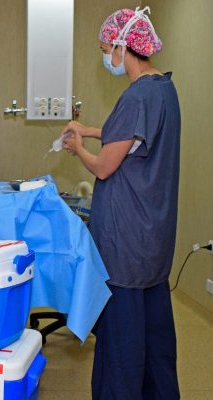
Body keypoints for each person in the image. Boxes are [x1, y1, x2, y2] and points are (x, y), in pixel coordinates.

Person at [61, 7, 181, 399]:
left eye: (105, 49)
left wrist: (78, 147)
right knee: (154, 337)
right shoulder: (163, 88)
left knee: (121, 345)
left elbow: (105, 166)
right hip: (153, 236)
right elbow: (130, 135)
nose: (106, 57)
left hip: (126, 239)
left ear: (122, 46)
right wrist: (91, 129)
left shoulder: (136, 96)